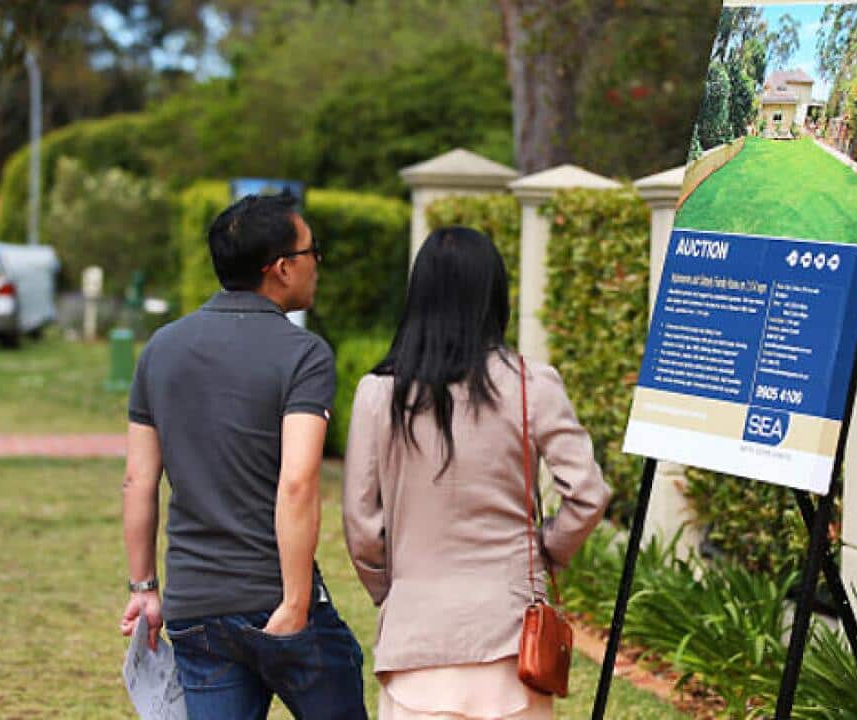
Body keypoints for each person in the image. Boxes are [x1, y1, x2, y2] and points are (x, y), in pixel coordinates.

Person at [342, 226, 612, 720]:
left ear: (419, 296)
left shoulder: (378, 393)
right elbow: (588, 494)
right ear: (495, 296)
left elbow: (362, 528)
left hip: (415, 641)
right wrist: (546, 553)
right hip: (511, 642)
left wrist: (396, 592)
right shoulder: (532, 384)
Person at [120, 192, 366, 720]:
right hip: (274, 597)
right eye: (312, 252)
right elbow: (297, 482)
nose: (317, 264)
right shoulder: (303, 354)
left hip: (195, 607)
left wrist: (144, 589)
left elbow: (138, 480)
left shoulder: (161, 349)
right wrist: (296, 602)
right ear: (282, 268)